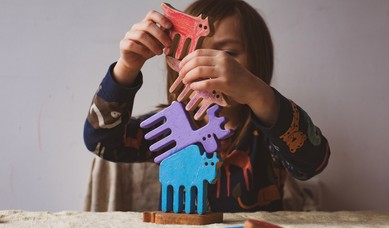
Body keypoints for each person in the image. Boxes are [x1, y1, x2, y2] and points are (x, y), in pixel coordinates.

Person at [84, 0, 330, 212]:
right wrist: (127, 67)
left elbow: (313, 162)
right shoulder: (171, 127)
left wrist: (258, 93)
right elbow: (101, 142)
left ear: (257, 64)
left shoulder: (269, 131)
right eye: (195, 53)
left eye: (229, 54)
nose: (207, 64)